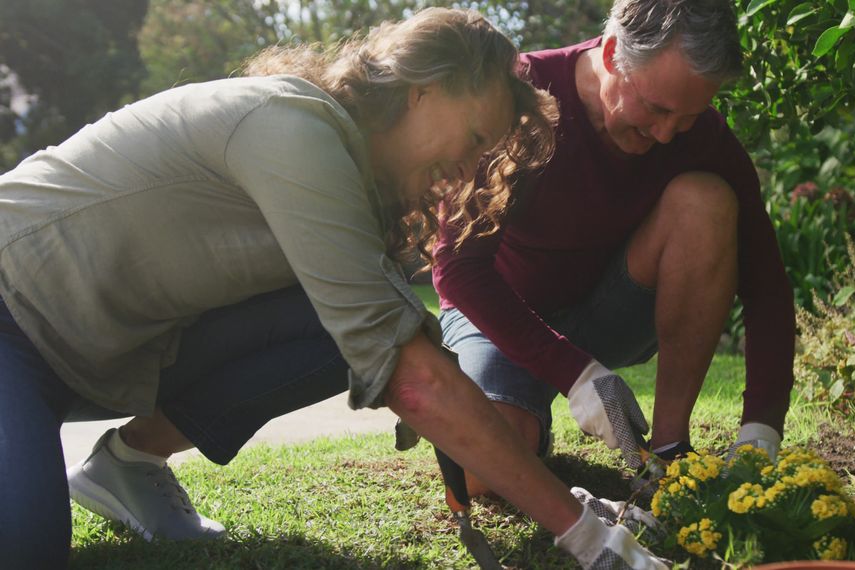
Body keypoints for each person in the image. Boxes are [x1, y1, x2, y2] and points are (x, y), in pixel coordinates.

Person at [0, 9, 666, 569]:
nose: (469, 169)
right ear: (422, 90)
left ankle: (128, 466)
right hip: (13, 318)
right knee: (28, 546)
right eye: (474, 139)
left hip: (95, 353)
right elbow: (416, 381)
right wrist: (588, 538)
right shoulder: (293, 125)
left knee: (351, 324)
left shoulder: (349, 177)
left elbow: (393, 344)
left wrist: (556, 497)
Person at [433, 0, 795, 495]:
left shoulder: (702, 138)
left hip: (606, 311)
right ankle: (526, 418)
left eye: (688, 116)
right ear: (609, 55)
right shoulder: (516, 95)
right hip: (498, 313)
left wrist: (762, 428)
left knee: (705, 200)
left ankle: (667, 454)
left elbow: (767, 285)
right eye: (656, 108)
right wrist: (573, 374)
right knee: (479, 473)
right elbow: (455, 268)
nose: (666, 133)